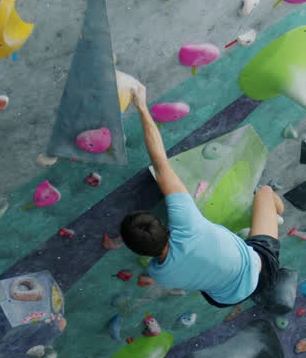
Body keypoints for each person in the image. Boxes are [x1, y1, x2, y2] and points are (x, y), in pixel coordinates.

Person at [119, 98, 284, 309]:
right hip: (262, 270)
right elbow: (160, 166)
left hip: (223, 299)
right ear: (163, 225)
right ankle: (277, 213)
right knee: (265, 192)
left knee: (208, 275)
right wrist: (142, 107)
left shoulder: (157, 273)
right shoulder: (188, 224)